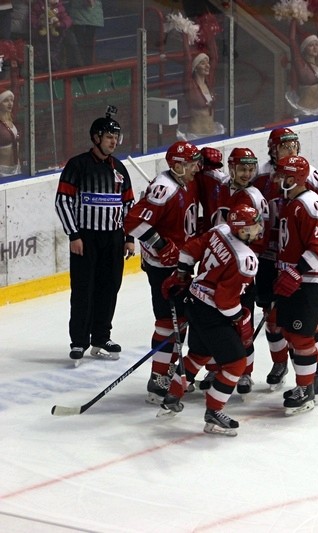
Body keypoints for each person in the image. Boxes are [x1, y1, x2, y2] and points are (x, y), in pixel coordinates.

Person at [252, 127, 318, 393]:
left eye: (294, 144)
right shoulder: (259, 176)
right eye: (285, 145)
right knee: (272, 316)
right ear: (273, 148)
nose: (291, 149)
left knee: (306, 319)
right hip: (269, 257)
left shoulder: (308, 175)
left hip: (299, 260)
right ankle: (280, 363)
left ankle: (311, 368)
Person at [158, 203, 262, 436]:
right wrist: (240, 321)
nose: (259, 229)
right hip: (212, 312)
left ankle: (172, 397)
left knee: (199, 353)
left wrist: (182, 275)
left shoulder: (221, 230)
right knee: (237, 363)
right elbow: (226, 301)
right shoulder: (246, 259)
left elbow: (188, 251)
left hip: (194, 302)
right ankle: (213, 414)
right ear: (243, 230)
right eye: (254, 226)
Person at [54, 108, 136, 364]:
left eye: (116, 136)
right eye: (109, 136)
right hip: (85, 239)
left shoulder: (120, 169)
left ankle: (101, 337)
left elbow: (129, 206)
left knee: (109, 288)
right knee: (83, 290)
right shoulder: (78, 165)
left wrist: (130, 238)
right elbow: (62, 201)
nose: (113, 141)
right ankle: (79, 341)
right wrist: (73, 234)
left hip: (113, 240)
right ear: (96, 137)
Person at [124, 140, 201, 404]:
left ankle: (169, 371)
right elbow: (132, 222)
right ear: (177, 165)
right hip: (163, 268)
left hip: (180, 263)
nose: (196, 167)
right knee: (168, 322)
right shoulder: (163, 189)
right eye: (192, 163)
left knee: (182, 320)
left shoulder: (185, 183)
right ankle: (158, 380)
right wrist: (160, 244)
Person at [192, 146, 269, 396]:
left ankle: (245, 373)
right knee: (214, 326)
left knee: (241, 326)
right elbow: (198, 170)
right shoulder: (219, 185)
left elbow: (261, 237)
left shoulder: (255, 197)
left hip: (239, 272)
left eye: (250, 169)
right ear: (231, 168)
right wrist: (202, 158)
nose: (247, 174)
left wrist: (241, 260)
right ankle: (216, 368)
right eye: (242, 168)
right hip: (214, 265)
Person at [272, 155, 318, 415]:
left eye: (281, 175)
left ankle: (306, 391)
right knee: (289, 331)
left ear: (294, 178)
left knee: (300, 336)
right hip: (298, 280)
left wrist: (296, 272)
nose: (277, 179)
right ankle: (310, 381)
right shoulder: (293, 202)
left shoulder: (310, 204)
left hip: (310, 282)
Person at [179, 52, 224, 140]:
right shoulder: (190, 85)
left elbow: (215, 57)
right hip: (197, 135)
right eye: (203, 63)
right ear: (195, 68)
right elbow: (187, 59)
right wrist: (185, 38)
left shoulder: (209, 84)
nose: (207, 66)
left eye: (208, 63)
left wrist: (210, 38)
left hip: (213, 132)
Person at [285, 20, 318, 117]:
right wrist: (293, 19)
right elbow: (292, 41)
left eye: (316, 45)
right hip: (304, 112)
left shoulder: (317, 63)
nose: (315, 48)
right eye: (311, 45)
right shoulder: (301, 66)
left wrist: (316, 15)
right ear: (304, 48)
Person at [68, 0, 103, 66]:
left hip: (80, 16)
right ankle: (87, 67)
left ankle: (82, 68)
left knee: (80, 46)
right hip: (91, 16)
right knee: (87, 47)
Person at [0, 90, 20, 177]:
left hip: (16, 168)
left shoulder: (11, 120)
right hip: (2, 171)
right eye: (6, 101)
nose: (10, 103)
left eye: (11, 100)